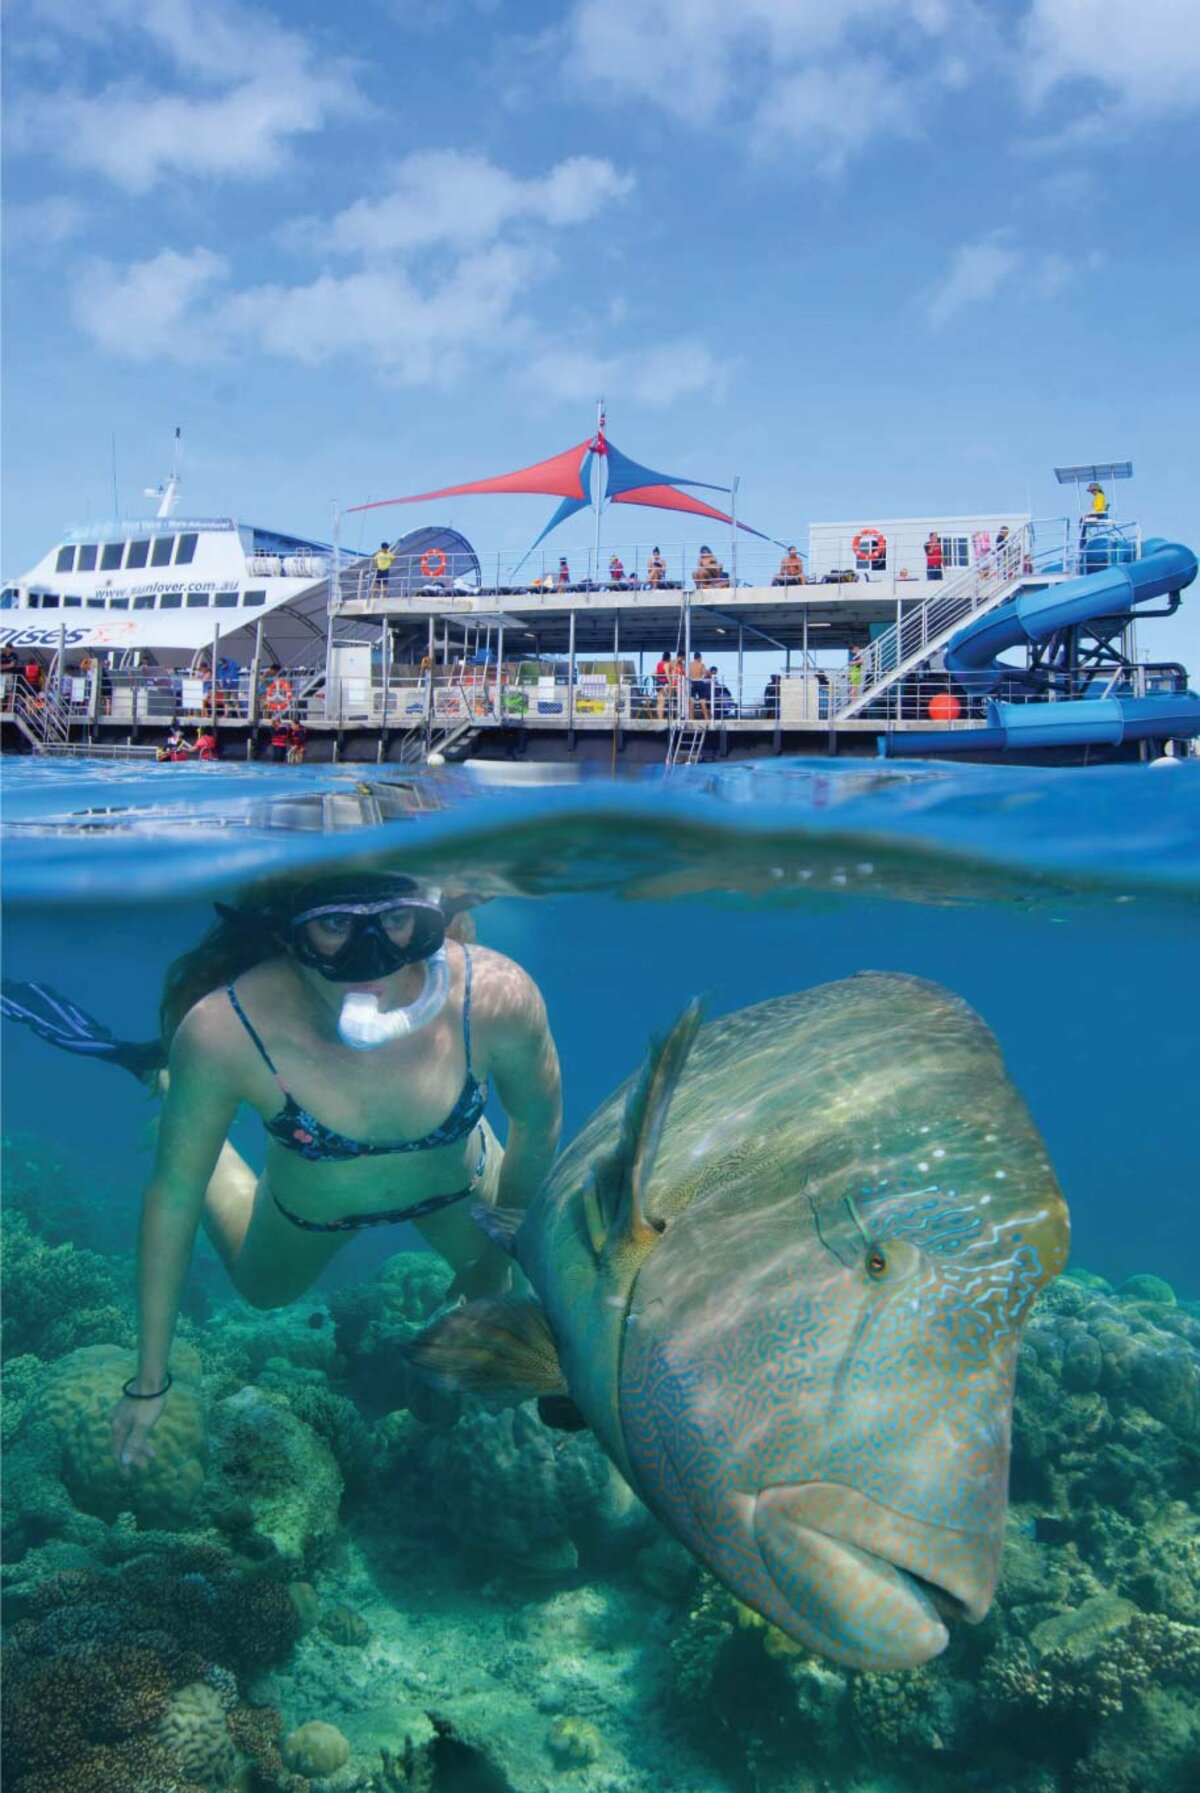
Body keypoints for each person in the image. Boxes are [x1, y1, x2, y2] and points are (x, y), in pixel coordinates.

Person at [1, 873, 563, 1473]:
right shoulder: (225, 1030)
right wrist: (149, 1379)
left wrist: (499, 1255)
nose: (369, 958)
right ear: (288, 933)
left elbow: (537, 1125)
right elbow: (175, 1193)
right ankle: (170, 1086)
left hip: (460, 1188)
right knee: (264, 1294)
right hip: (312, 1211)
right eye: (335, 925)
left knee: (507, 1286)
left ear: (425, 915)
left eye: (395, 921)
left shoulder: (495, 995)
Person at [688, 648, 710, 721]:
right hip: (700, 682)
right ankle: (706, 718)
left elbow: (688, 674)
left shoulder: (690, 665)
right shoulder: (701, 664)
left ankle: (691, 718)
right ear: (699, 657)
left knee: (692, 701)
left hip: (692, 682)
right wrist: (708, 672)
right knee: (703, 701)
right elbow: (705, 673)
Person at [655, 646, 673, 720]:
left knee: (660, 701)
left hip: (658, 683)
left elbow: (654, 673)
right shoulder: (666, 664)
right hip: (664, 684)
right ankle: (662, 717)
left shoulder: (659, 664)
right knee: (664, 701)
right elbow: (666, 673)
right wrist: (670, 682)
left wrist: (657, 679)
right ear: (669, 657)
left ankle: (660, 717)